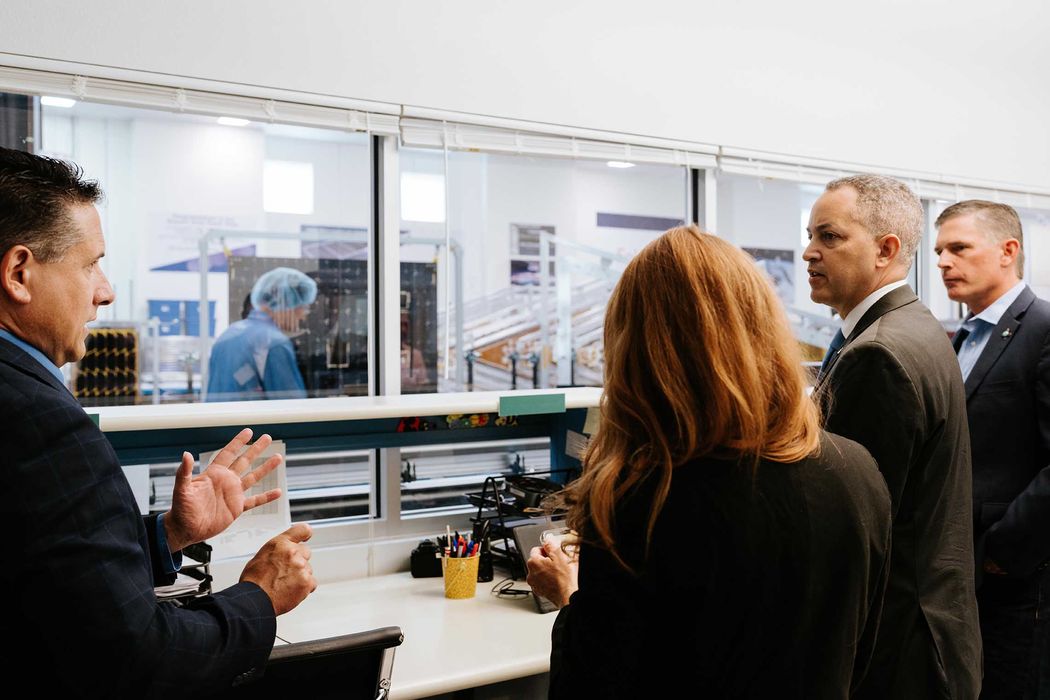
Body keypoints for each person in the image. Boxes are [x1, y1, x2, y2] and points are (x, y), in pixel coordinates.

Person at [0, 146, 316, 698]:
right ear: (19, 273)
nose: (105, 291)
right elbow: (134, 658)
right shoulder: (40, 421)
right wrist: (260, 595)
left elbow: (45, 579)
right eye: (90, 264)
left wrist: (171, 533)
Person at [527, 224, 893, 698]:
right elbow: (860, 654)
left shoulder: (643, 498)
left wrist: (570, 597)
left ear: (635, 349)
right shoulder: (857, 470)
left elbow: (591, 687)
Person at [804, 174, 982, 698]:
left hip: (898, 651)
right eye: (810, 236)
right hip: (927, 633)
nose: (809, 252)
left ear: (885, 250)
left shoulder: (878, 354)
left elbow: (853, 528)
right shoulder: (914, 325)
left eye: (829, 237)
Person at [935, 200, 1050, 699]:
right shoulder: (962, 337)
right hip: (962, 574)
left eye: (959, 248)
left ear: (1008, 251)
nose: (943, 262)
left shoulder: (1042, 329)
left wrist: (1001, 551)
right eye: (939, 251)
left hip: (1014, 578)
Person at [206, 266, 317, 401]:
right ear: (285, 302)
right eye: (302, 307)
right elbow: (291, 405)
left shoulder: (228, 335)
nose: (303, 317)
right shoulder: (274, 343)